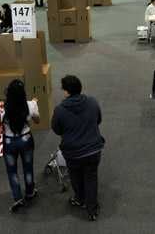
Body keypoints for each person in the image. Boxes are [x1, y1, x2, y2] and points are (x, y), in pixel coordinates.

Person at [51, 75, 104, 221]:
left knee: (75, 176)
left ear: (66, 91)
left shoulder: (60, 110)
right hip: (93, 149)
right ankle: (92, 210)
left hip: (73, 152)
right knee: (91, 177)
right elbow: (98, 120)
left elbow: (56, 129)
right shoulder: (92, 102)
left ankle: (80, 199)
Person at [0, 80, 40, 212]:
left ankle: (18, 197)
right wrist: (34, 105)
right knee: (28, 168)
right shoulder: (30, 105)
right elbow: (37, 120)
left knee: (12, 171)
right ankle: (30, 192)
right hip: (26, 140)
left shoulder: (0, 107)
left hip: (9, 142)